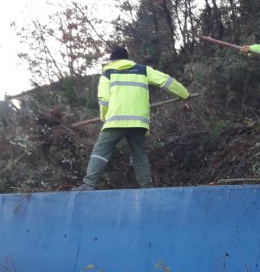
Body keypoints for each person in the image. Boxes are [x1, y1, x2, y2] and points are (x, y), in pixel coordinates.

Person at [74, 47, 190, 191]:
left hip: (115, 122)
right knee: (139, 155)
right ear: (127, 58)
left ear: (112, 60)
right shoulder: (143, 70)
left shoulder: (108, 73)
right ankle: (146, 187)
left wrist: (104, 117)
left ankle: (89, 184)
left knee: (101, 152)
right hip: (138, 123)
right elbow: (165, 80)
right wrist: (184, 94)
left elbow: (103, 99)